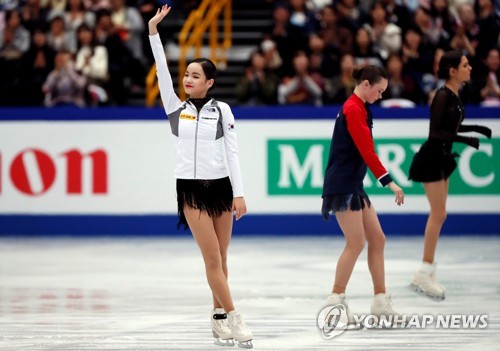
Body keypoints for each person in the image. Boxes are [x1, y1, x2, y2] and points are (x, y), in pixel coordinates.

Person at [148, 5, 253, 348]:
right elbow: (162, 71)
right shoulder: (175, 109)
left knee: (223, 260)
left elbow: (232, 153)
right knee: (211, 259)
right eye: (187, 74)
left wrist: (239, 193)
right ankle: (235, 316)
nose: (187, 79)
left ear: (209, 82)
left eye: (195, 75)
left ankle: (218, 318)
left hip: (222, 188)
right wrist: (153, 31)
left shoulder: (222, 110)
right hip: (190, 191)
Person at [321, 65, 405, 327]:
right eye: (379, 91)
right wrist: (389, 183)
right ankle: (335, 302)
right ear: (366, 84)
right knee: (356, 243)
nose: (380, 96)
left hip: (353, 184)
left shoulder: (360, 107)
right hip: (343, 184)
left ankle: (380, 301)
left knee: (377, 239)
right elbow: (367, 151)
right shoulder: (353, 109)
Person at [408, 50, 491, 301]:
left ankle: (428, 269)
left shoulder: (456, 94)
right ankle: (424, 270)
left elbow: (451, 126)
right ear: (453, 71)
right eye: (465, 65)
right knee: (439, 213)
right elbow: (436, 132)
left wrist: (475, 128)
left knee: (440, 214)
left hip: (443, 157)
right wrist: (466, 138)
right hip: (432, 157)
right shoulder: (442, 95)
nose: (470, 68)